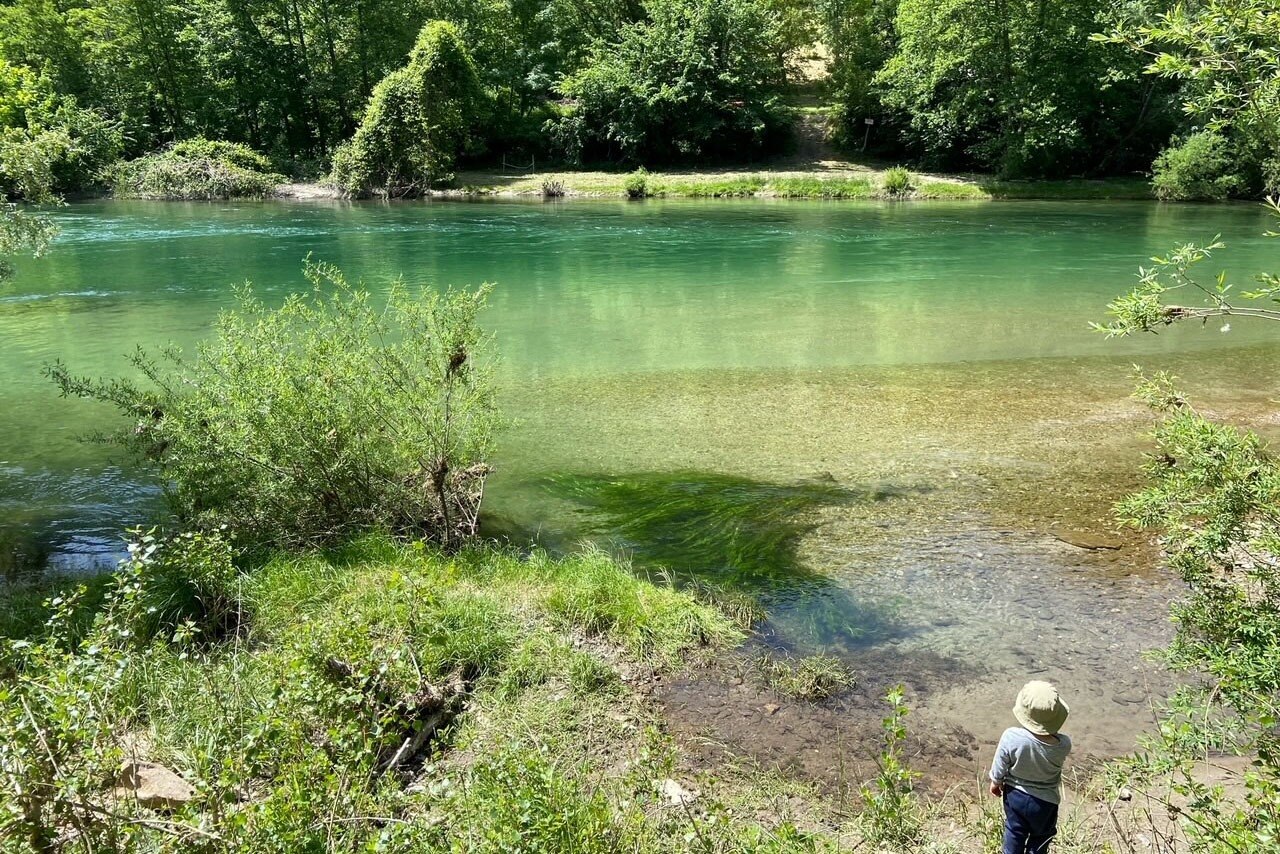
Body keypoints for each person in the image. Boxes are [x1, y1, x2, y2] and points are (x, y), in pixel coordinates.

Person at [988, 681, 1072, 854]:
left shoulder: (1011, 737)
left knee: (1014, 832)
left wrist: (995, 782)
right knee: (1041, 837)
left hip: (1015, 796)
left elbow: (1000, 763)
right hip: (1046, 802)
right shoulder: (1064, 744)